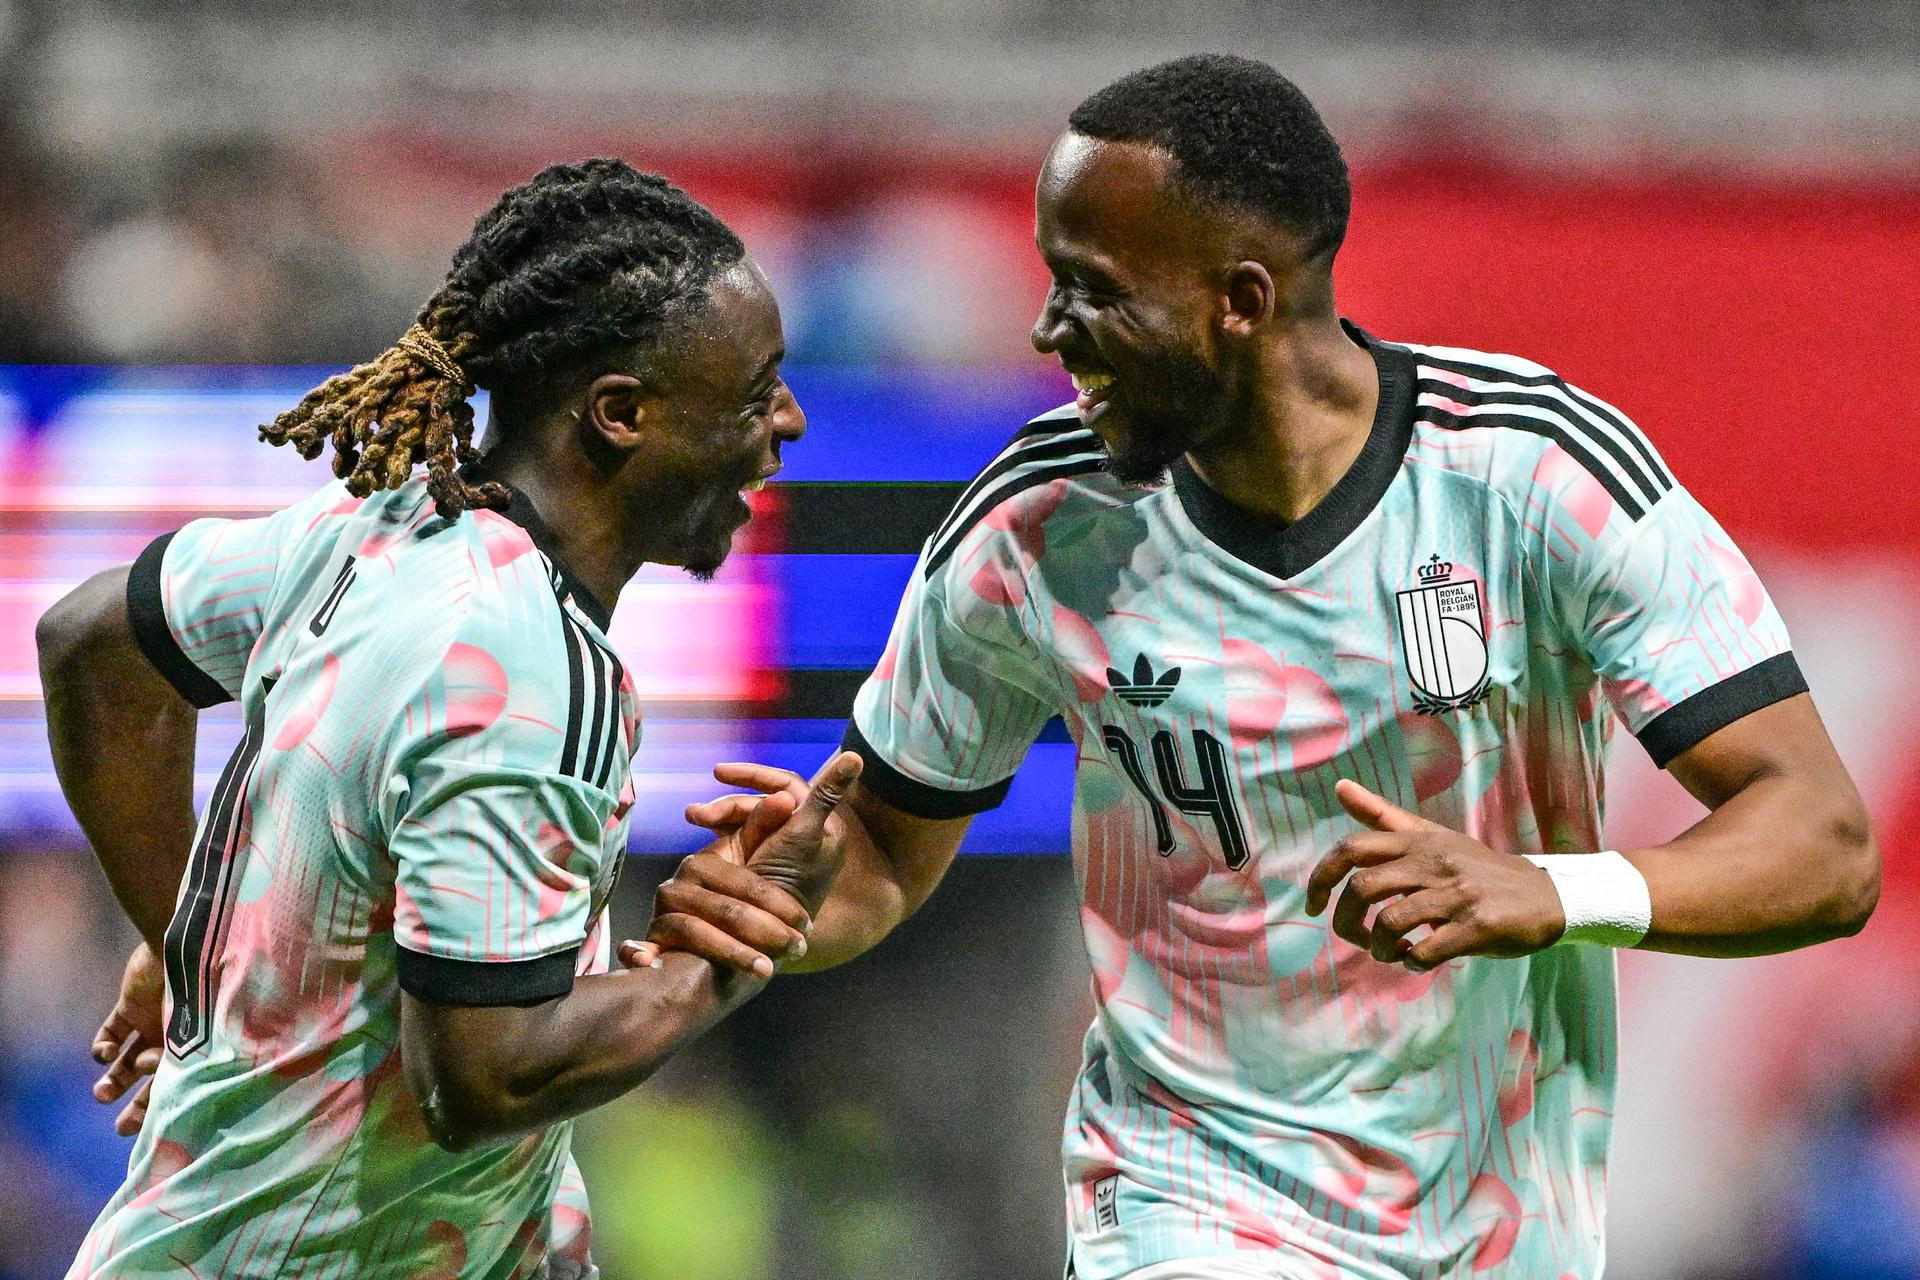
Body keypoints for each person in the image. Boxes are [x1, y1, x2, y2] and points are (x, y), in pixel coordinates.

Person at [640, 56, 1880, 1280]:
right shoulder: (1035, 523)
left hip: (1500, 1218)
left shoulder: (1532, 475)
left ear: (1238, 300)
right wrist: (783, 903)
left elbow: (1822, 842)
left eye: (1091, 290)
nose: (1049, 330)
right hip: (1183, 1200)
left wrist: (1551, 889)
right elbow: (881, 844)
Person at [39, 157, 858, 1279]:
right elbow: (484, 1078)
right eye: (758, 389)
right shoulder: (527, 668)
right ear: (622, 414)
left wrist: (203, 947)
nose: (789, 420)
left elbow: (91, 640)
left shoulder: (373, 529)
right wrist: (726, 950)